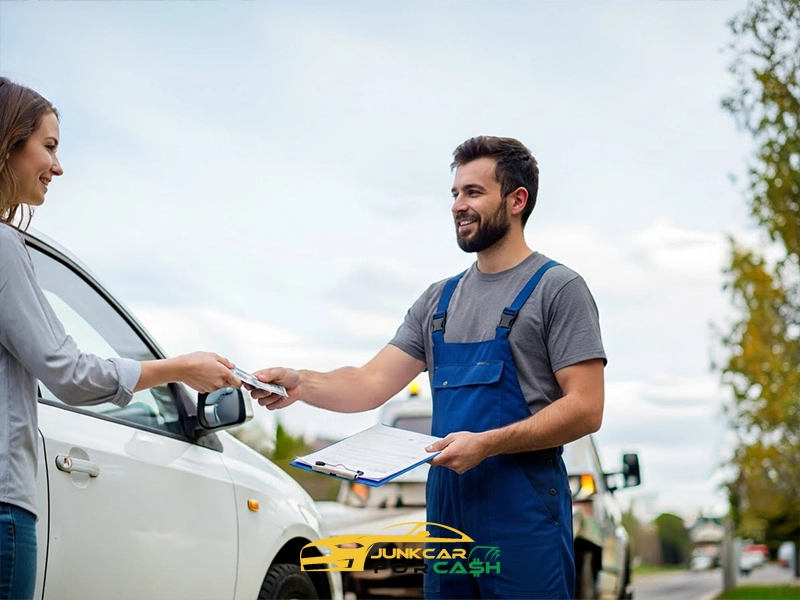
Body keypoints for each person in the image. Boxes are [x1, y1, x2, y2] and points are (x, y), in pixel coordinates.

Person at [249, 135, 606, 599]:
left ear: (517, 200)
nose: (458, 205)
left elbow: (586, 408)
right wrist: (301, 382)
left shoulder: (558, 289)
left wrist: (487, 444)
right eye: (455, 194)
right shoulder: (438, 300)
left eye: (473, 192)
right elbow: (369, 382)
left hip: (524, 514)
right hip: (448, 517)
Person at [0, 77, 242, 600]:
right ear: (8, 142)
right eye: (50, 146)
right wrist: (178, 368)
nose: (58, 167)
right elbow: (66, 374)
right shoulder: (3, 245)